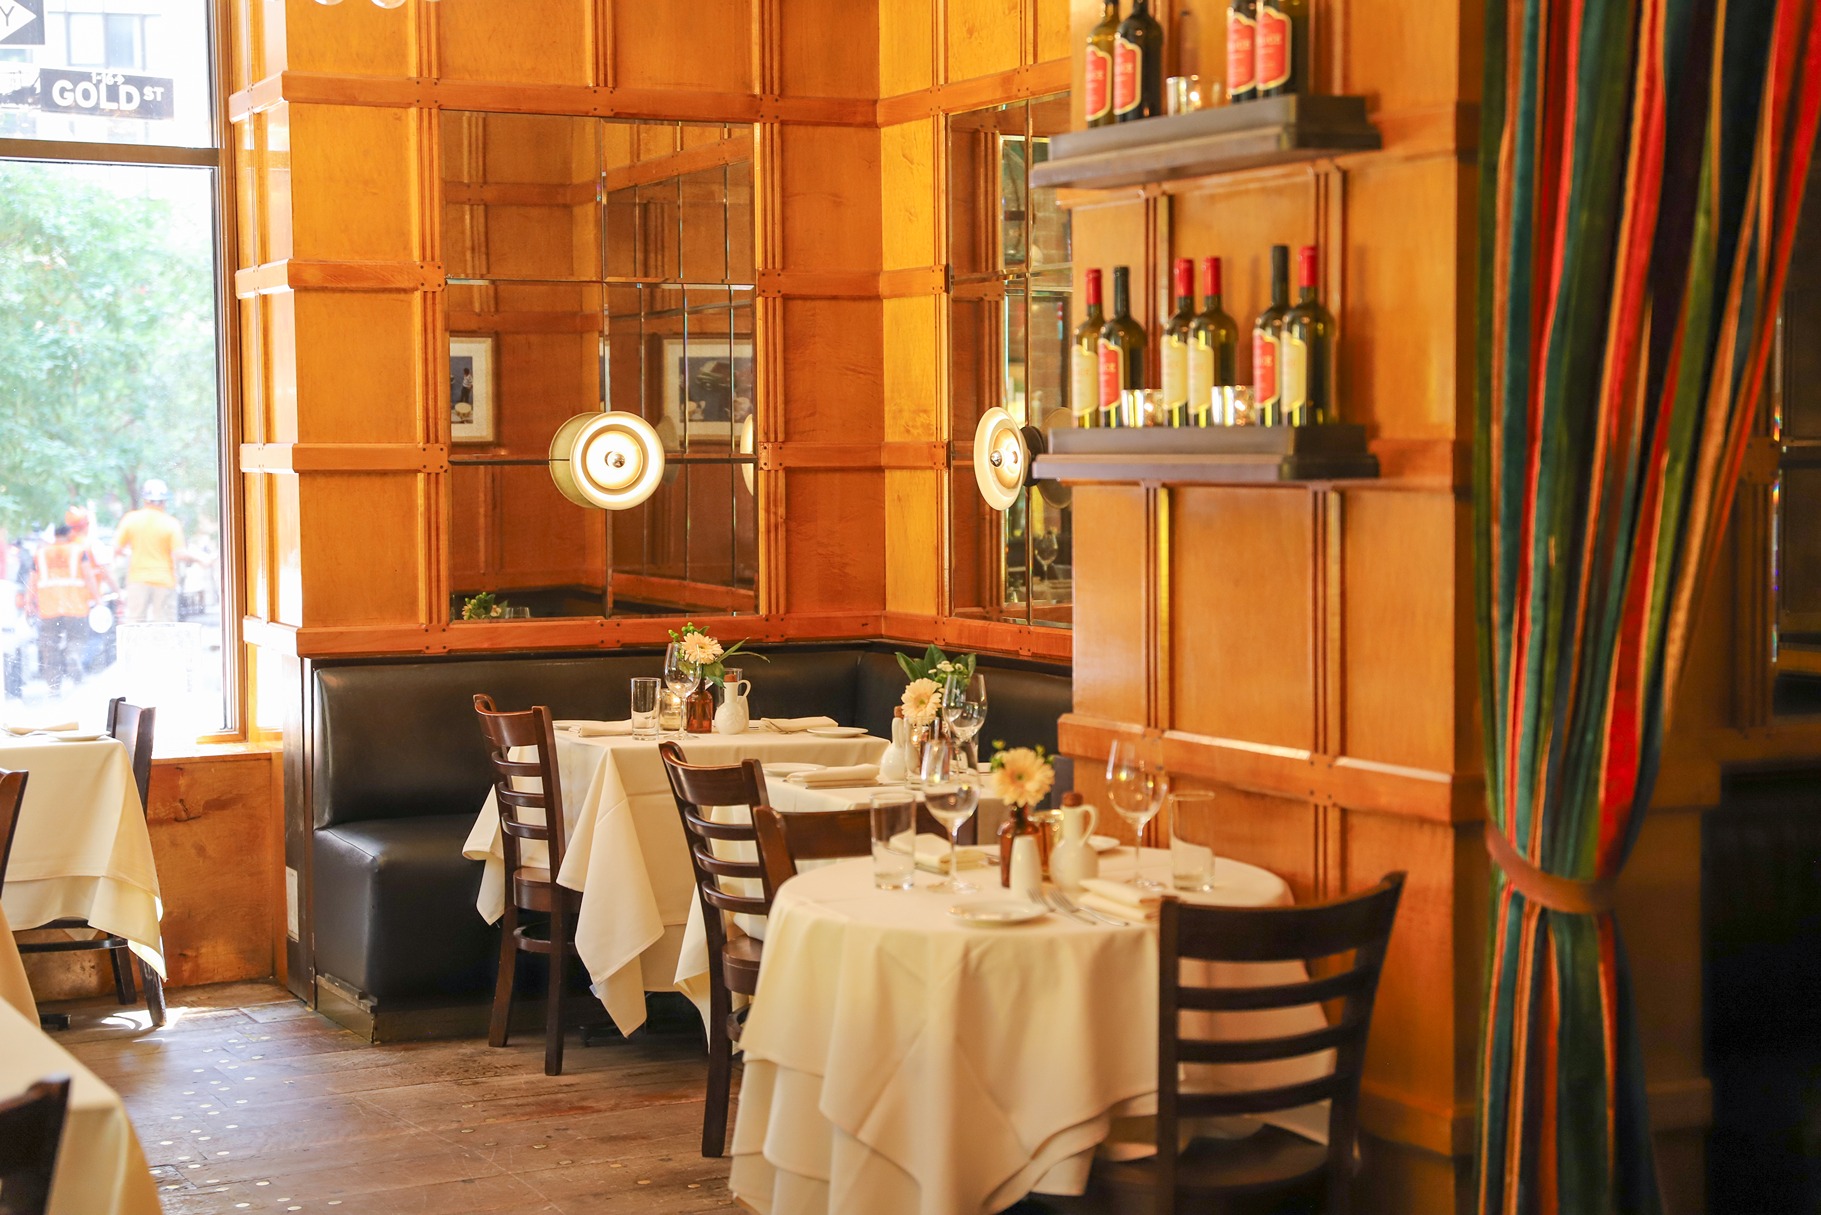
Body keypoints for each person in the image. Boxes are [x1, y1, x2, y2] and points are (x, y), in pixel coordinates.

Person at [27, 522, 99, 695]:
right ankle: (72, 656)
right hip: (75, 607)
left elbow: (32, 580)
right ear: (69, 535)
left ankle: (54, 686)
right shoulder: (78, 551)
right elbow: (89, 576)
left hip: (48, 608)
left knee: (49, 646)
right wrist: (98, 599)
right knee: (76, 639)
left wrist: (29, 604)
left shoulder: (40, 554)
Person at [114, 479, 189, 623]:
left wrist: (132, 553)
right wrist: (201, 558)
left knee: (135, 622)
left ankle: (137, 647)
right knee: (165, 624)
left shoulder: (131, 519)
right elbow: (179, 554)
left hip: (138, 579)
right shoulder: (171, 523)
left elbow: (117, 549)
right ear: (164, 501)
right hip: (164, 580)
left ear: (145, 500)